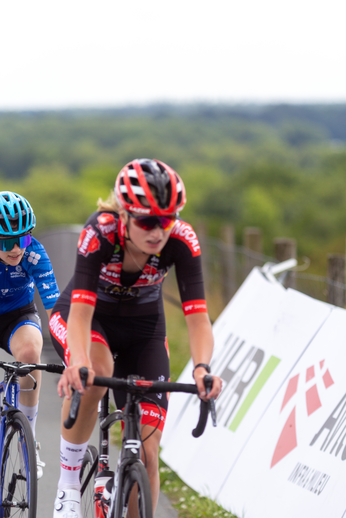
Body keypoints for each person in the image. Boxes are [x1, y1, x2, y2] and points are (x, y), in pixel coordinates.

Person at [49, 158, 222, 517]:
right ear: (124, 214)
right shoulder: (100, 232)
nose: (158, 231)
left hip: (144, 330)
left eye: (167, 219)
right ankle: (67, 485)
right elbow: (80, 312)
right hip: (90, 318)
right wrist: (77, 362)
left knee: (147, 451)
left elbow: (198, 317)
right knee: (95, 371)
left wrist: (202, 368)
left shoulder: (182, 240)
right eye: (147, 221)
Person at [0, 190, 60, 479]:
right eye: (7, 241)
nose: (16, 249)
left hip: (17, 315)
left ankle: (28, 440)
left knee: (30, 355)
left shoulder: (33, 253)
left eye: (22, 239)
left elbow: (55, 309)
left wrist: (73, 353)